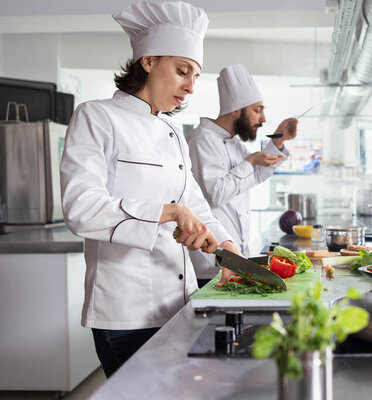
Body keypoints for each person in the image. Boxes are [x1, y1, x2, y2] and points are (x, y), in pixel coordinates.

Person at [60, 1, 240, 378]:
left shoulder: (173, 132)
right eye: (182, 71)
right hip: (125, 313)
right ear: (148, 61)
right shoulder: (97, 117)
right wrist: (169, 213)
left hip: (179, 304)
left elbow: (195, 204)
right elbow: (82, 208)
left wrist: (227, 249)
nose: (190, 86)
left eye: (195, 75)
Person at [186, 64, 298, 283]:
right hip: (209, 263)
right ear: (236, 110)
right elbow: (215, 194)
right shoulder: (202, 141)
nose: (263, 118)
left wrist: (278, 142)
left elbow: (254, 176)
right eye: (257, 110)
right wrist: (251, 160)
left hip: (235, 255)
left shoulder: (233, 142)